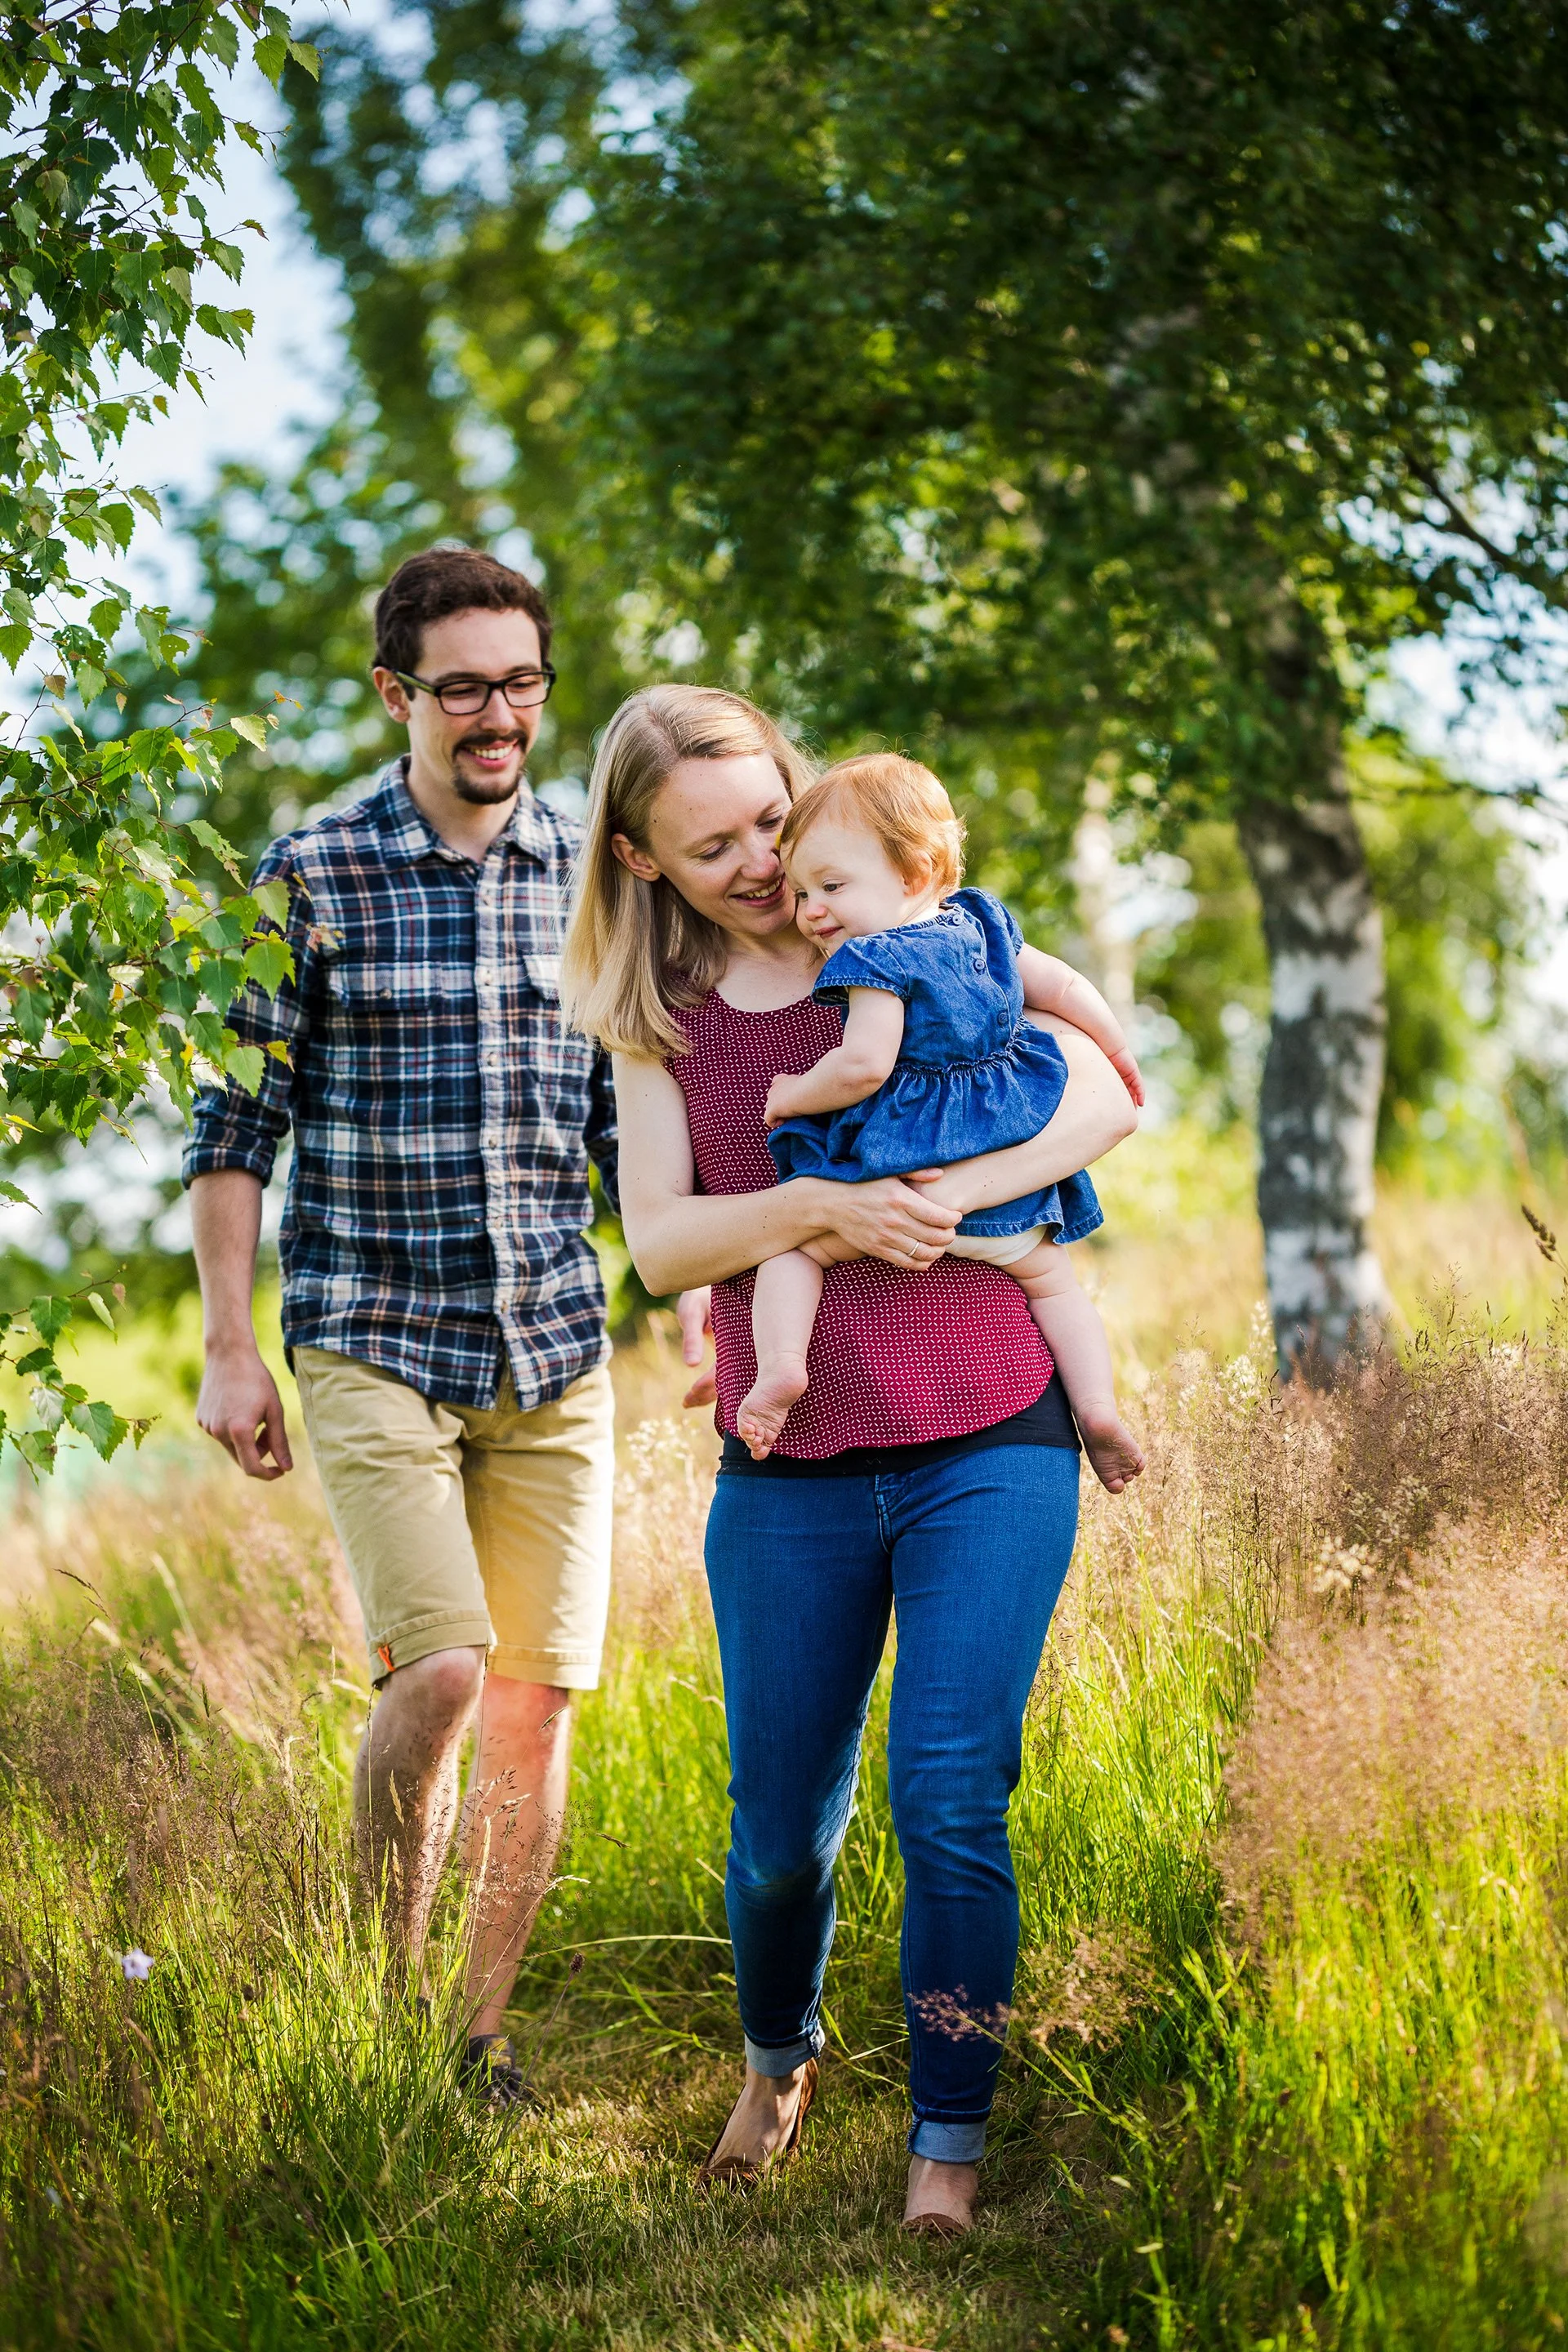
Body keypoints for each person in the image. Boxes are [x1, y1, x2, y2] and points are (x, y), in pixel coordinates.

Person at [559, 683, 1138, 2235]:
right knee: (774, 1836)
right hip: (793, 1461)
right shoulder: (662, 1026)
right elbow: (671, 1244)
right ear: (642, 864)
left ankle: (947, 2143)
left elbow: (1111, 1082)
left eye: (769, 819)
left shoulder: (921, 929)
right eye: (715, 845)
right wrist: (824, 1213)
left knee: (952, 1793)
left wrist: (964, 1193)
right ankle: (778, 2055)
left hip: (993, 1438)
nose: (761, 863)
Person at [184, 545, 618, 2108]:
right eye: (463, 687)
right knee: (437, 1672)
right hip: (373, 1331)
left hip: (557, 1343)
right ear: (397, 695)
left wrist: (699, 1304)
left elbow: (628, 1117)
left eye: (520, 682)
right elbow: (235, 1127)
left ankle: (474, 2036)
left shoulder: (595, 871)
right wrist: (232, 1345)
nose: (497, 714)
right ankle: (371, 2004)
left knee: (533, 1703)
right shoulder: (308, 870)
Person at [747, 752, 1146, 1489]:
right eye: (801, 892)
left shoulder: (876, 958)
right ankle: (1096, 1407)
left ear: (915, 871)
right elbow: (1060, 985)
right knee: (1055, 1285)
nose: (811, 912)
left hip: (906, 1174)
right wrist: (1117, 1048)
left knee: (793, 1255)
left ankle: (779, 1370)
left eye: (832, 886)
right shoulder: (984, 927)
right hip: (1006, 1180)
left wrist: (795, 1092)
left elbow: (864, 1067)